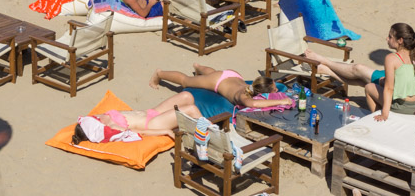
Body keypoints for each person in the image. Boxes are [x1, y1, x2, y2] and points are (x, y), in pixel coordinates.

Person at [305, 28, 415, 114]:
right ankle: (327, 70)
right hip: (403, 83)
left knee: (358, 69)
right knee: (359, 78)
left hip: (404, 92)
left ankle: (324, 61)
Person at [73, 90, 203, 142]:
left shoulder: (99, 117)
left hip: (152, 112)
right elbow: (139, 131)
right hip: (152, 123)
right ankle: (213, 140)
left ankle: (194, 131)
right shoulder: (111, 128)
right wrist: (166, 131)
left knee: (187, 96)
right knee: (192, 109)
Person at [149, 64, 287, 109]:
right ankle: (159, 74)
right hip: (219, 81)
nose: (276, 90)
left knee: (212, 74)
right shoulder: (243, 95)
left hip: (233, 76)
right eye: (274, 89)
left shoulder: (254, 87)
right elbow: (253, 104)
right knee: (186, 81)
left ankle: (199, 67)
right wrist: (281, 101)